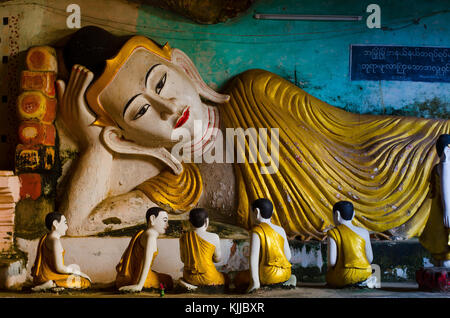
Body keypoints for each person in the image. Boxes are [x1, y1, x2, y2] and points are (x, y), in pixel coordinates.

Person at [56, 26, 450, 240]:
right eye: (140, 110)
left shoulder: (254, 91)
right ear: (124, 137)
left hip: (380, 173)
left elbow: (346, 136)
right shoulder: (183, 186)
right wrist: (93, 144)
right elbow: (75, 226)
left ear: (184, 68)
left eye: (161, 83)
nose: (168, 108)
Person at [234, 198, 295, 293]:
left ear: (256, 212)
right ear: (272, 212)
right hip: (286, 274)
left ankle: (257, 283)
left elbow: (253, 259)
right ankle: (286, 280)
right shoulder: (281, 230)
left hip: (268, 277)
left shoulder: (257, 231)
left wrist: (255, 283)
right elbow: (288, 256)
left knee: (239, 278)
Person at [115, 207, 173, 292]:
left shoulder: (142, 233)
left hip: (133, 276)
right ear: (152, 219)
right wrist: (139, 285)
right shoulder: (151, 235)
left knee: (162, 276)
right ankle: (141, 284)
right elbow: (147, 261)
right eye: (165, 220)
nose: (167, 225)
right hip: (141, 279)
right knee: (168, 280)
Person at [31, 212, 91, 291]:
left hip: (39, 278)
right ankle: (53, 284)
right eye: (65, 223)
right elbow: (59, 268)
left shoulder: (45, 238)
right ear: (55, 224)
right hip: (48, 278)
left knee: (76, 278)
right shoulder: (55, 241)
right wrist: (78, 272)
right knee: (84, 281)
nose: (67, 227)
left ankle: (55, 286)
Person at [326, 201, 375, 288]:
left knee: (329, 275)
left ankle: (350, 282)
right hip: (366, 273)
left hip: (344, 276)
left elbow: (332, 262)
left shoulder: (333, 232)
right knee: (367, 273)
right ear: (353, 214)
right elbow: (370, 258)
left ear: (337, 215)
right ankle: (364, 281)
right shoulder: (364, 232)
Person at [419, 134, 450, 267]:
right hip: (445, 207)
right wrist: (448, 210)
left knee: (440, 242)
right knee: (444, 240)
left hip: (438, 208)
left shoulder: (439, 165)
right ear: (446, 150)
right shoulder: (445, 164)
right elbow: (445, 190)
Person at [178, 208, 227, 289]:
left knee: (183, 279)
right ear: (207, 221)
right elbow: (218, 259)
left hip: (189, 278)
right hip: (209, 277)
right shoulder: (214, 237)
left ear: (189, 222)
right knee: (225, 277)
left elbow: (183, 259)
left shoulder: (183, 237)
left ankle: (189, 285)